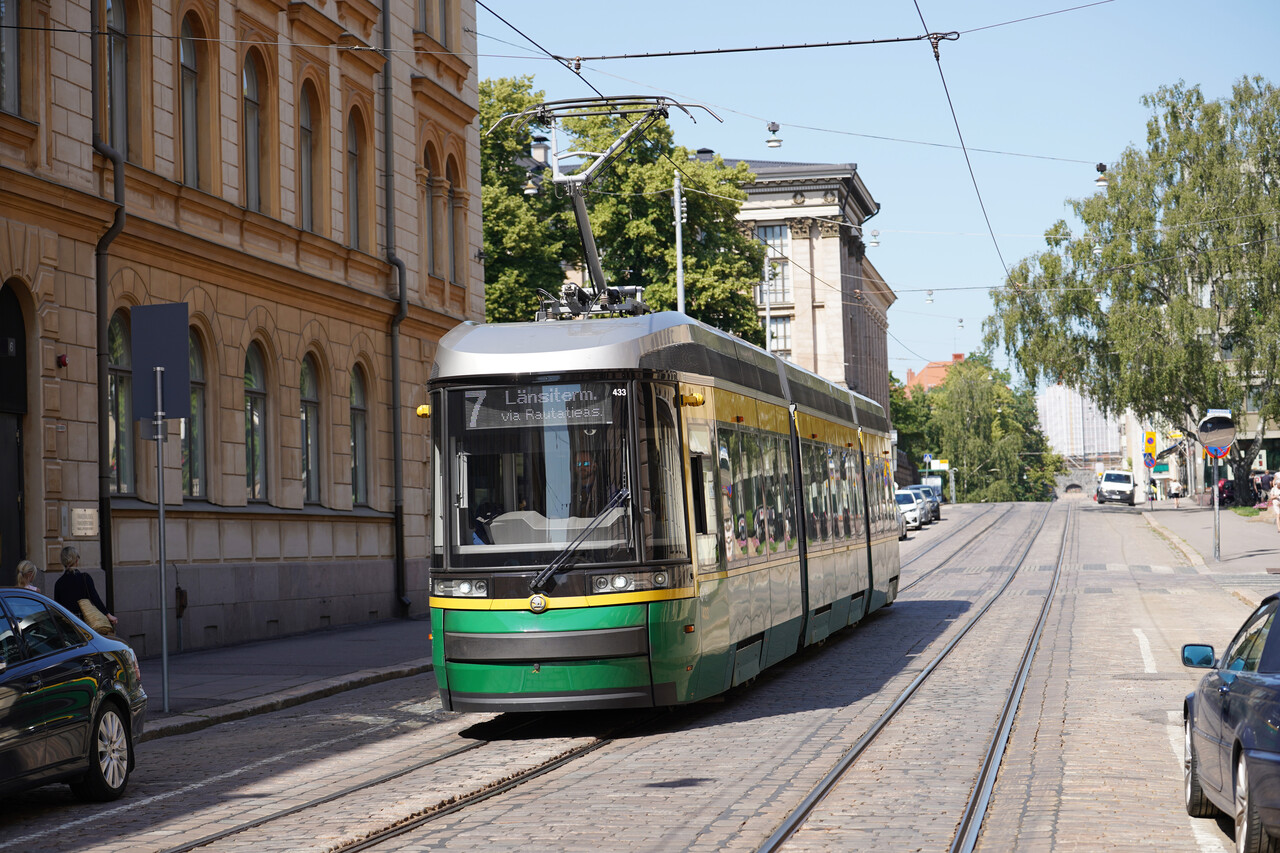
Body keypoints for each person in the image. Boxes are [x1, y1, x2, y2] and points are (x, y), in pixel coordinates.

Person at [53, 545, 117, 634]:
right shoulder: (84, 578)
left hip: (68, 628)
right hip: (85, 625)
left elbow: (58, 608)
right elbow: (95, 599)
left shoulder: (58, 583)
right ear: (76, 560)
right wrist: (109, 615)